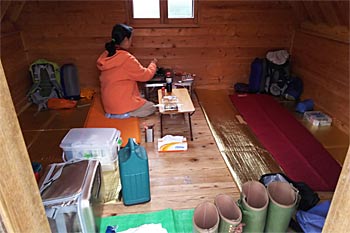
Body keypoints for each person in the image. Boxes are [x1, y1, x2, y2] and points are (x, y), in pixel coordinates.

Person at [97, 23, 158, 118]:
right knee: (151, 107)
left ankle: (115, 113)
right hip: (121, 106)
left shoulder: (106, 55)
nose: (131, 42)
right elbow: (145, 75)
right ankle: (125, 115)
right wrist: (153, 64)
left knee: (140, 96)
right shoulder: (126, 58)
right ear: (125, 40)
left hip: (109, 106)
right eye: (130, 39)